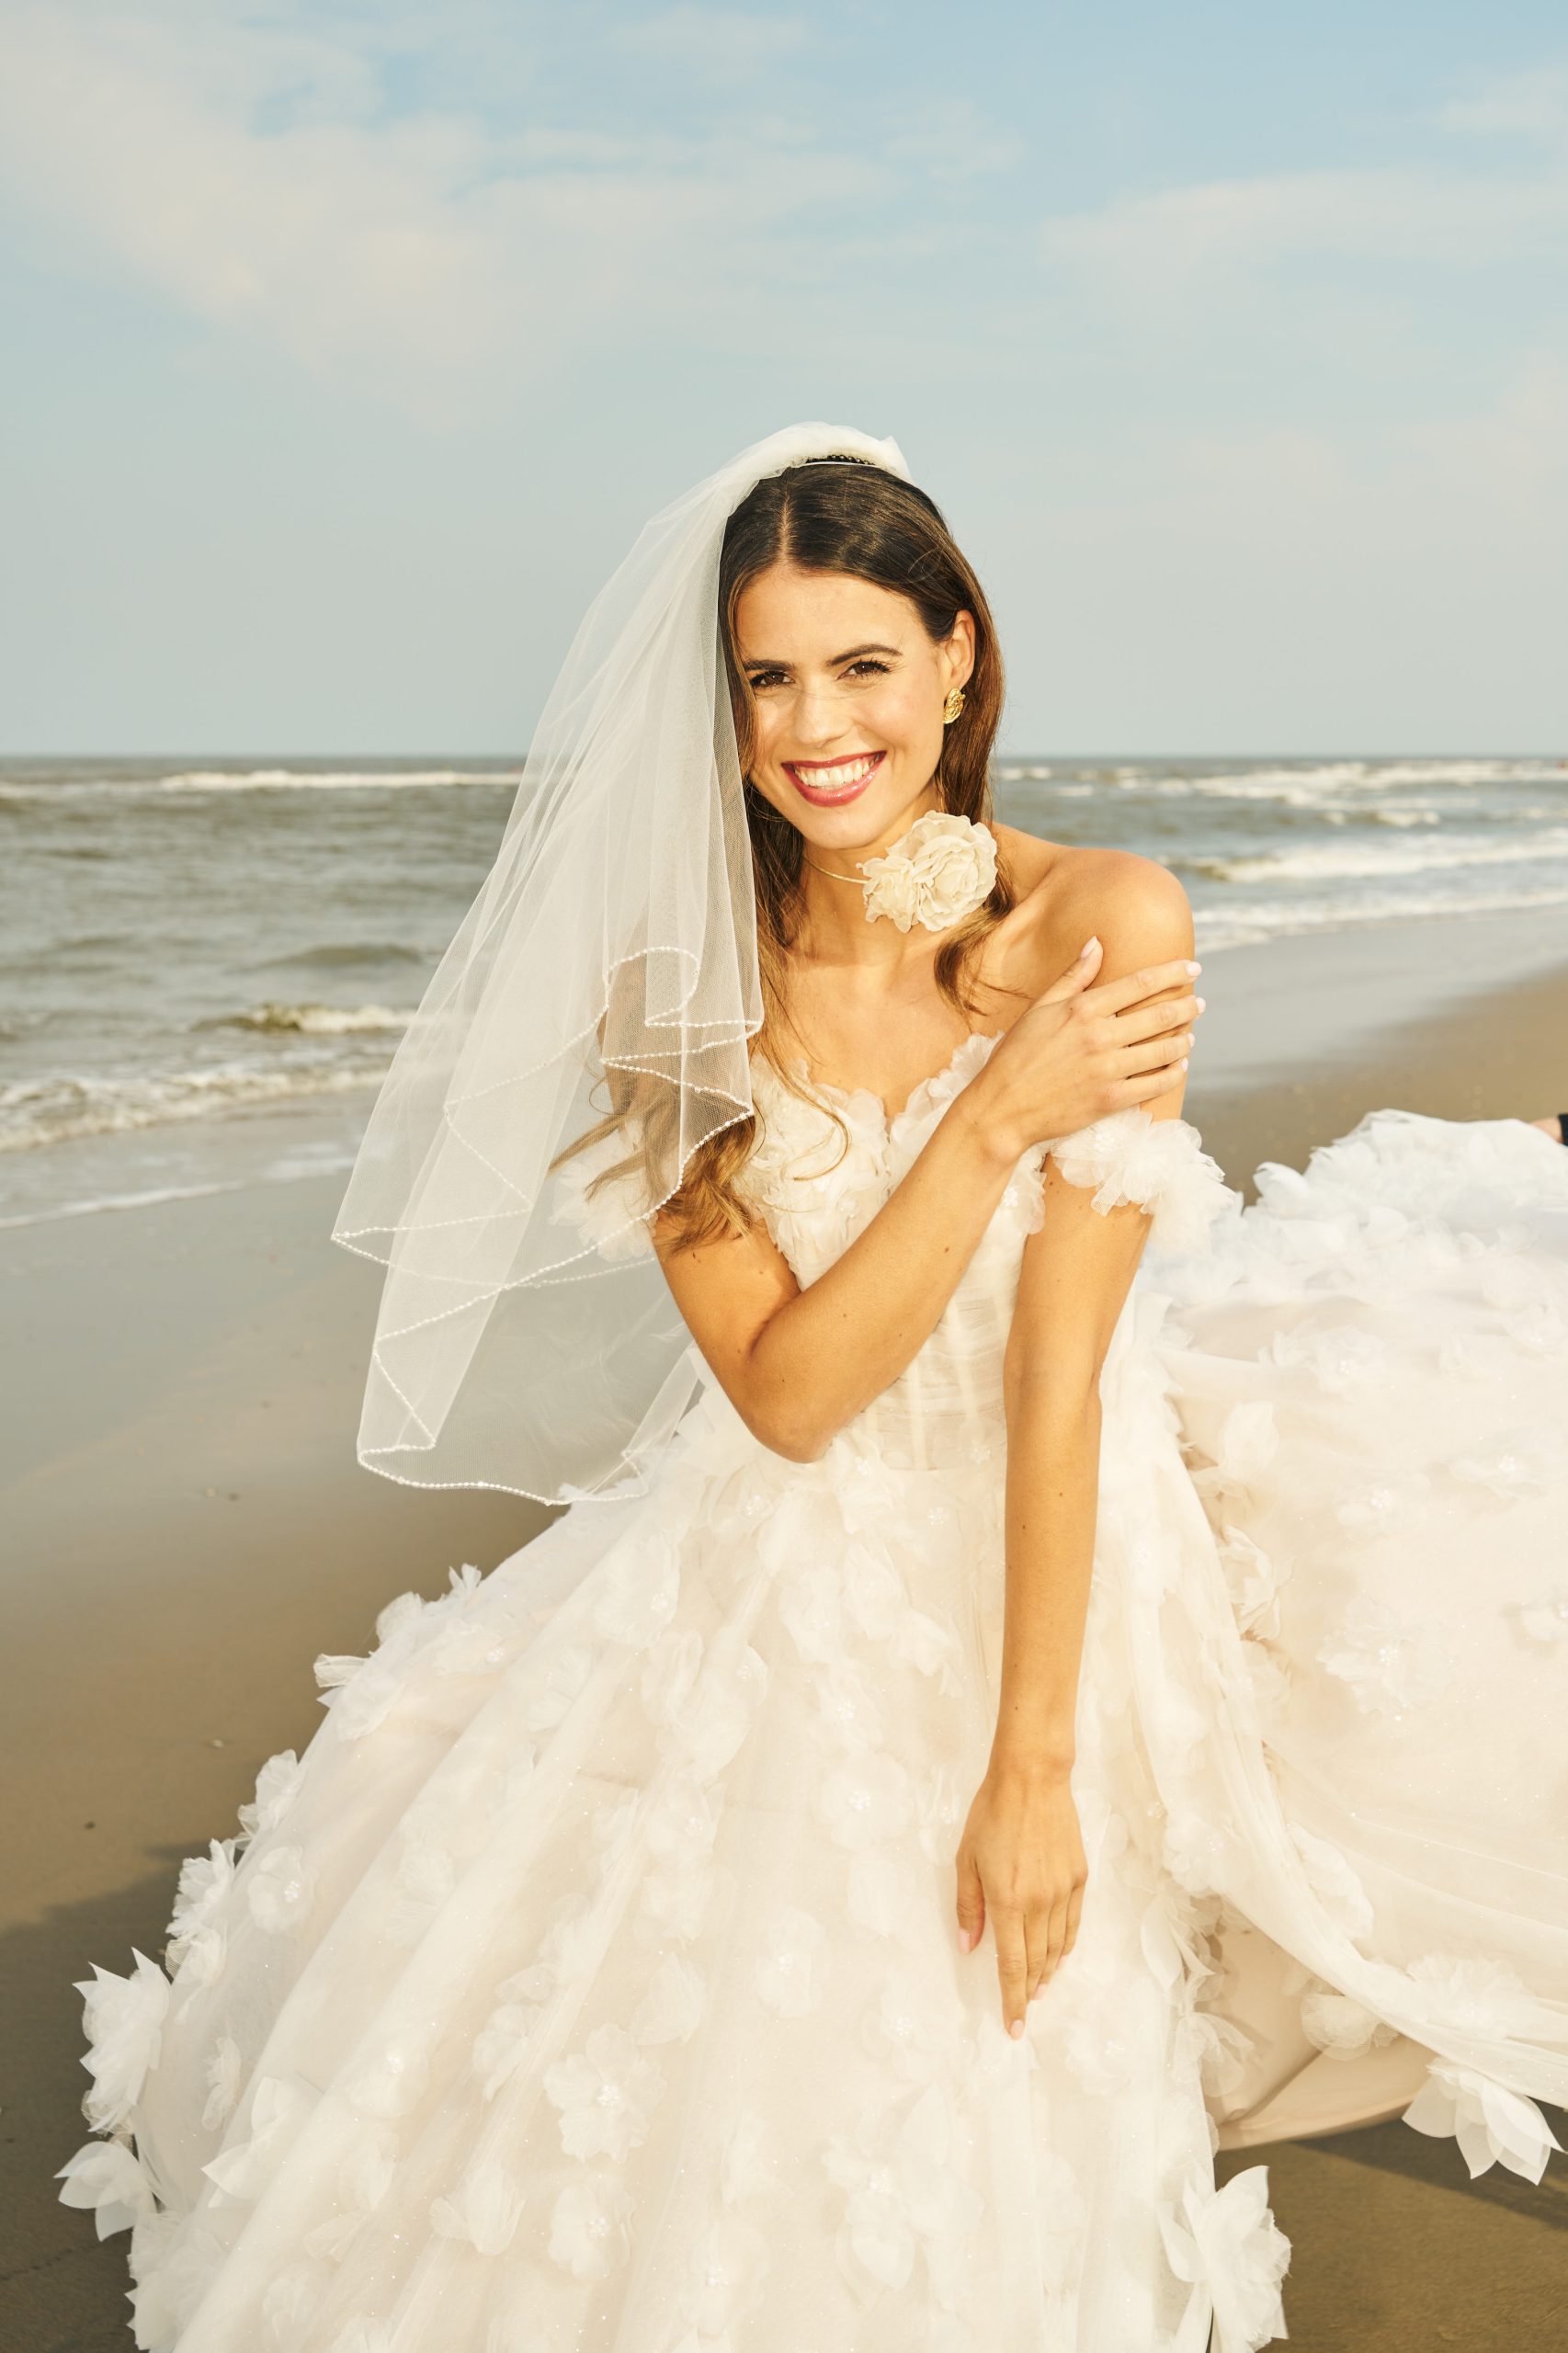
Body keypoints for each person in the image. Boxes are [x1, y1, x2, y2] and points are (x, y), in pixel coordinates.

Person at [57, 426, 1568, 2353]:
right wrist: (988, 1122)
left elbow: (1058, 1378)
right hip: (778, 1529)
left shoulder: (1105, 922)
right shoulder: (672, 993)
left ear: (958, 655)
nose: (814, 723)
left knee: (977, 2037)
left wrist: (1029, 1764)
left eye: (861, 663)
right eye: (767, 676)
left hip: (1045, 1541)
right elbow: (781, 1394)